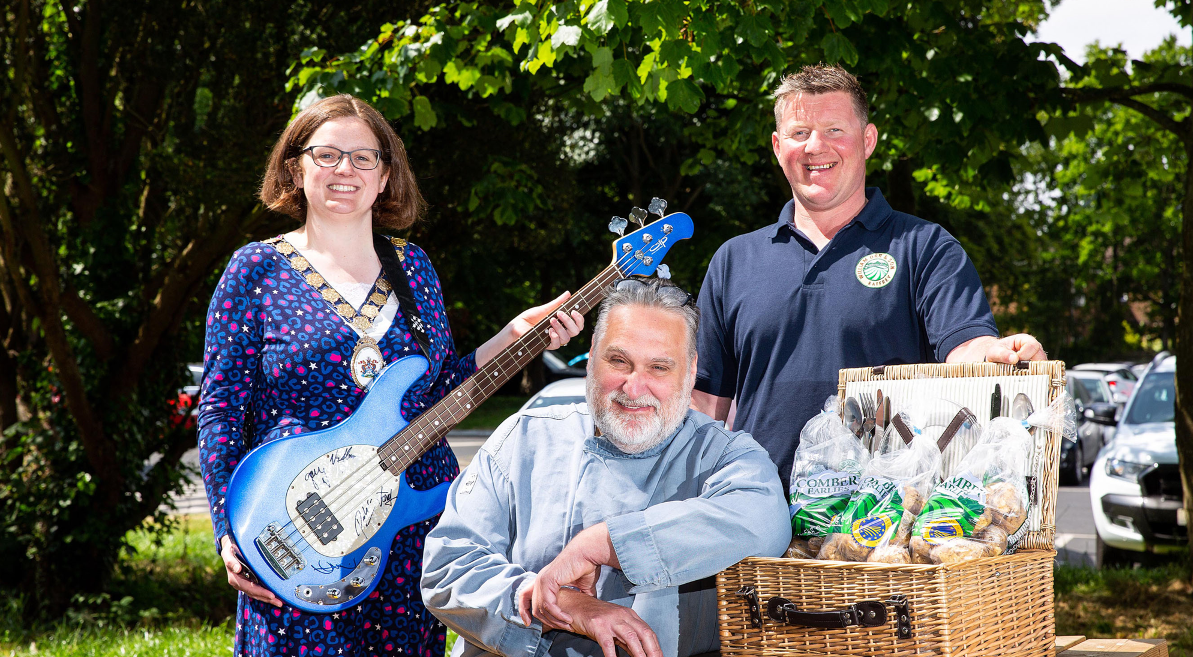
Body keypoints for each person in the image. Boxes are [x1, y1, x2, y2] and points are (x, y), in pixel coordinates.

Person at [197, 94, 584, 657]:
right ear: (294, 168)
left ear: (386, 177)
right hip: (294, 530)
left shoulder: (415, 267)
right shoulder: (255, 270)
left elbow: (437, 395)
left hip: (404, 531)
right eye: (326, 155)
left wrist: (512, 338)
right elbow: (221, 411)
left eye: (363, 158)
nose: (345, 170)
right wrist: (226, 530)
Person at [690, 65, 1049, 482]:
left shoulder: (924, 247)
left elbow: (966, 348)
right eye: (799, 132)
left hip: (881, 522)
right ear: (777, 145)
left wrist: (998, 354)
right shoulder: (734, 260)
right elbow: (705, 405)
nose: (815, 146)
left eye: (834, 130)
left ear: (868, 140)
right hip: (756, 516)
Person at [421, 277, 792, 657]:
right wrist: (560, 606)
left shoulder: (723, 455)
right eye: (619, 361)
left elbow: (765, 520)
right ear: (592, 355)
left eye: (660, 367)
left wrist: (601, 544)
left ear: (692, 371)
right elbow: (447, 568)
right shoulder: (524, 438)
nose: (634, 387)